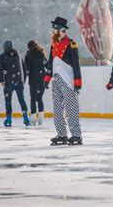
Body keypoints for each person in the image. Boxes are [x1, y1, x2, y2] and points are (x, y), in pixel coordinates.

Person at [45, 17, 83, 145]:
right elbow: (51, 62)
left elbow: (76, 64)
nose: (53, 30)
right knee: (57, 109)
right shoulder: (54, 44)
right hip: (56, 80)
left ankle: (76, 135)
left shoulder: (71, 44)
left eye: (55, 28)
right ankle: (62, 135)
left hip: (68, 81)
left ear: (61, 30)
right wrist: (47, 77)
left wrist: (78, 81)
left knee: (71, 109)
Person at [0, 40, 30, 127]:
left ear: (4, 47)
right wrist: (23, 81)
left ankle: (8, 119)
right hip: (19, 81)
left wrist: (1, 80)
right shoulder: (18, 55)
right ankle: (26, 118)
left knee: (8, 101)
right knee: (21, 99)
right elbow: (25, 70)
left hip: (8, 82)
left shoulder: (2, 56)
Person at [25, 40, 48, 126]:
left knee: (33, 99)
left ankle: (33, 117)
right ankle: (41, 117)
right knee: (40, 98)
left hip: (33, 79)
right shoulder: (41, 53)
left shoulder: (28, 55)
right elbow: (47, 65)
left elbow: (27, 69)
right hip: (42, 78)